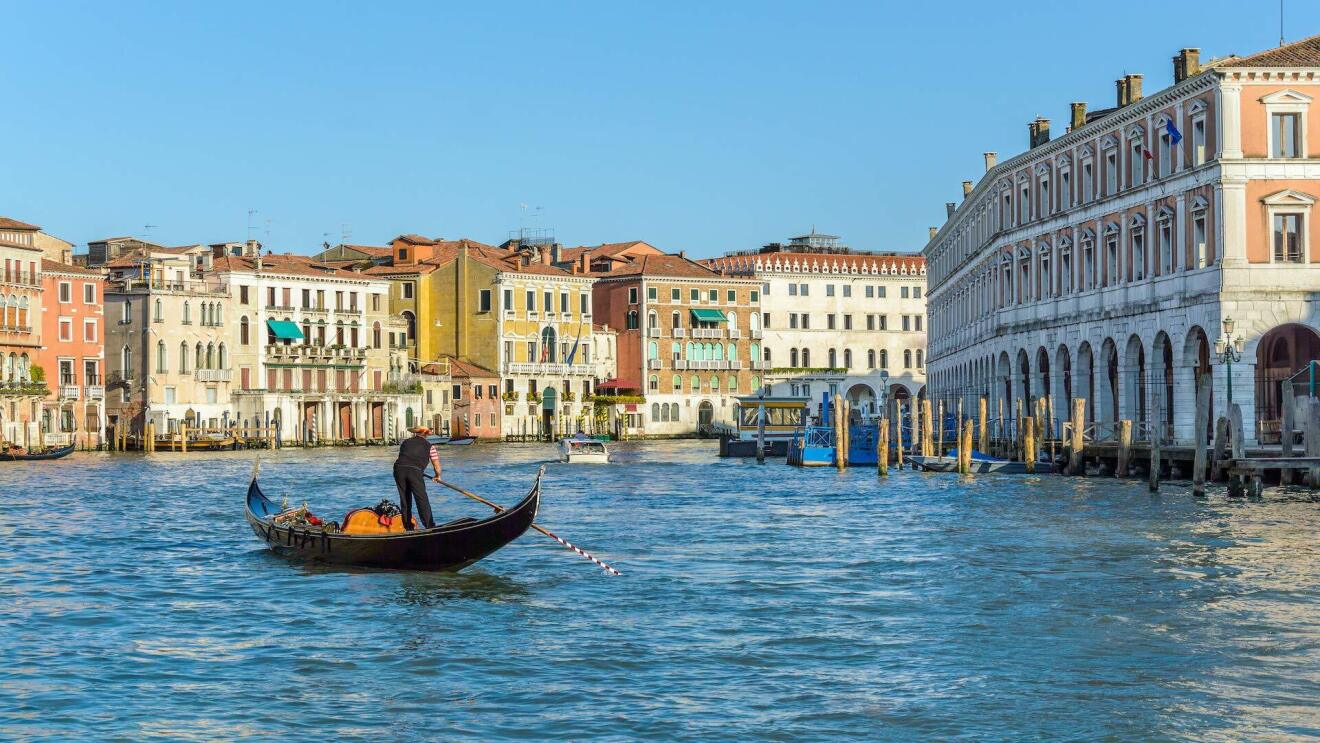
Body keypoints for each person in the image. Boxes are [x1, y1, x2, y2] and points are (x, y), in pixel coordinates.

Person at [393, 426, 441, 530]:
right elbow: (436, 466)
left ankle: (408, 527)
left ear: (416, 433)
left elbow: (405, 457)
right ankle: (430, 526)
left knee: (405, 499)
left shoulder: (405, 442)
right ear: (426, 435)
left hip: (399, 469)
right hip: (414, 471)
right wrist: (437, 476)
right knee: (421, 499)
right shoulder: (430, 446)